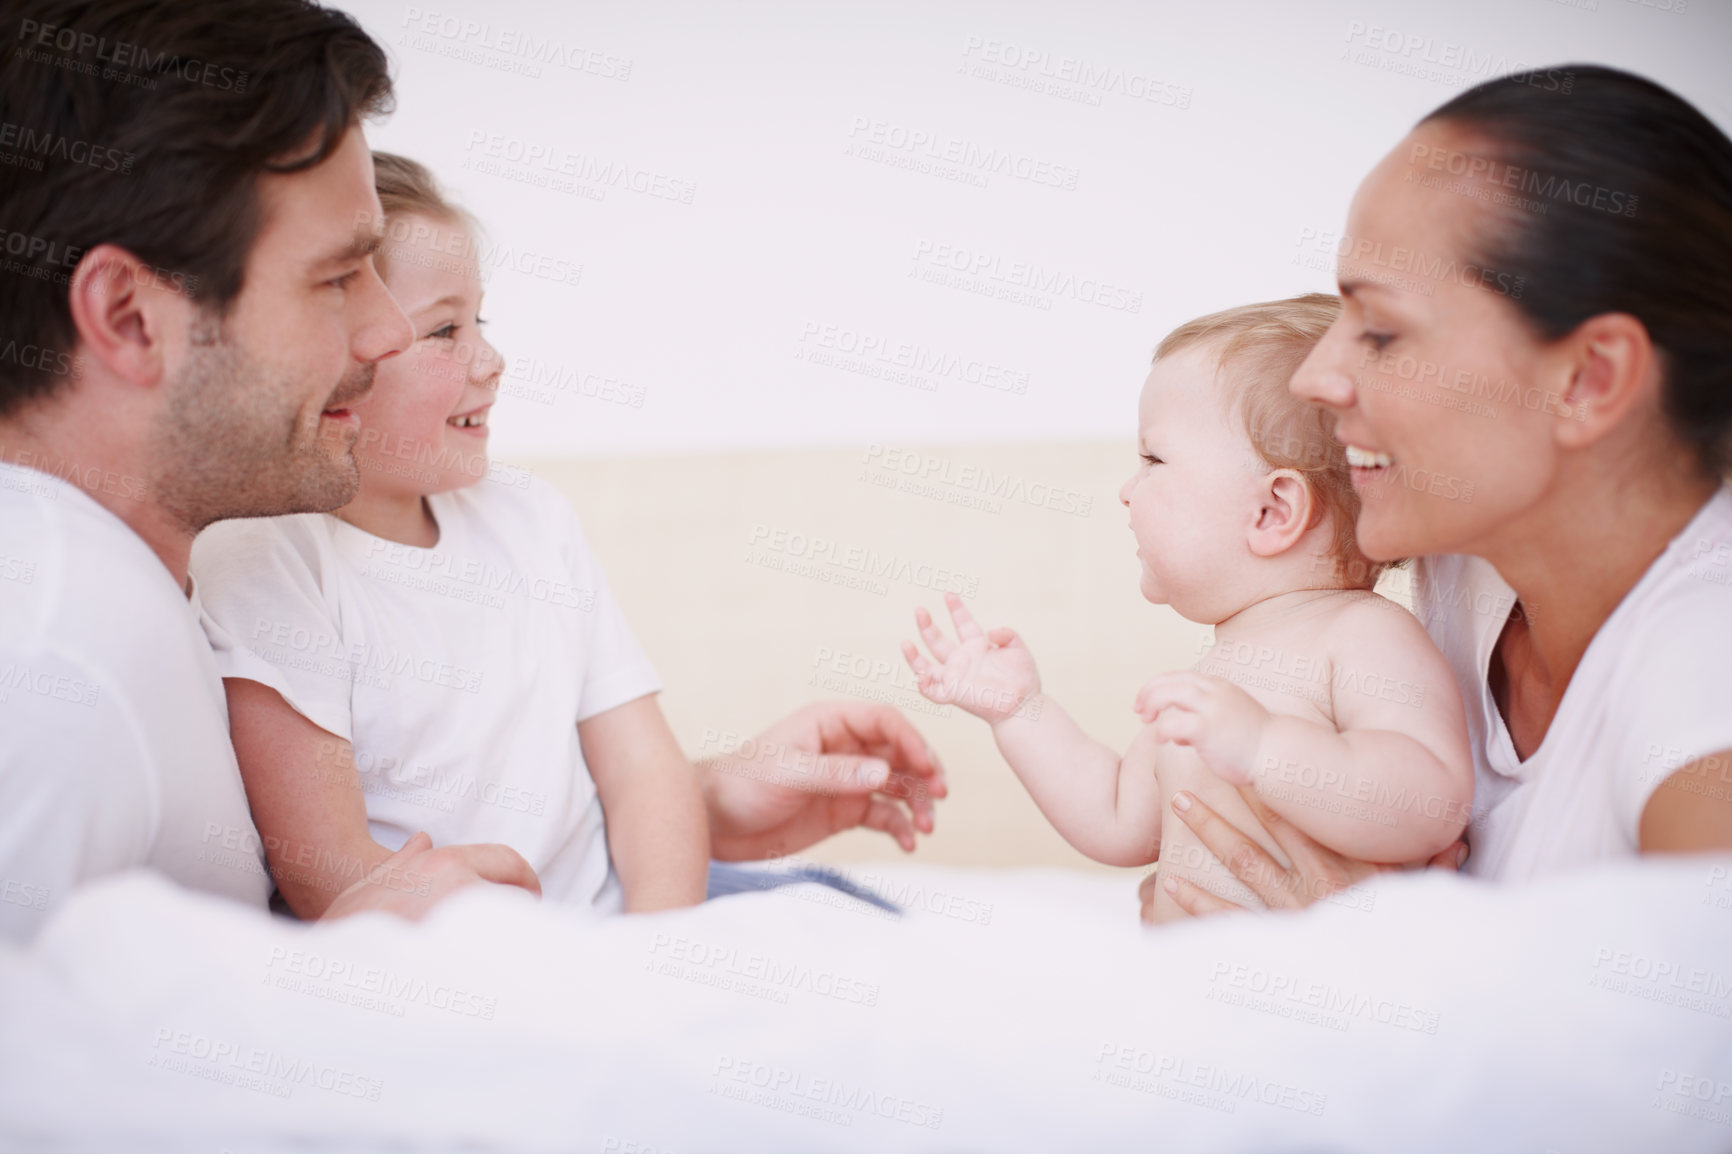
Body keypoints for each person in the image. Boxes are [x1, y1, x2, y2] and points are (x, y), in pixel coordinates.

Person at [0, 0, 943, 945]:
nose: (380, 338)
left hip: (611, 925)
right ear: (127, 318)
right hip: (518, 965)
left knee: (875, 929)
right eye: (337, 279)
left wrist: (689, 839)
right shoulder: (64, 647)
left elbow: (614, 773)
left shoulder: (132, 593)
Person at [1155, 64, 1732, 920]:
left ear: (1587, 378)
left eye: (1381, 331)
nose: (1317, 376)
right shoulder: (1464, 562)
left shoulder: (1703, 669)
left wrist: (1371, 962)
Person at [189, 154, 710, 917]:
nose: (492, 362)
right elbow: (328, 874)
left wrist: (657, 946)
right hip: (452, 967)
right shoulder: (269, 558)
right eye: (444, 331)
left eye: (481, 322)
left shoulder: (534, 519)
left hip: (610, 939)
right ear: (340, 353)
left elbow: (645, 775)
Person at [903, 296, 1473, 922]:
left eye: (1153, 459)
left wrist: (1264, 748)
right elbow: (1119, 820)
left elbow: (1430, 801)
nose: (1127, 490)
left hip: (1307, 1004)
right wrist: (1020, 712)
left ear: (1272, 512)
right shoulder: (1214, 677)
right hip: (1186, 996)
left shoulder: (1365, 635)